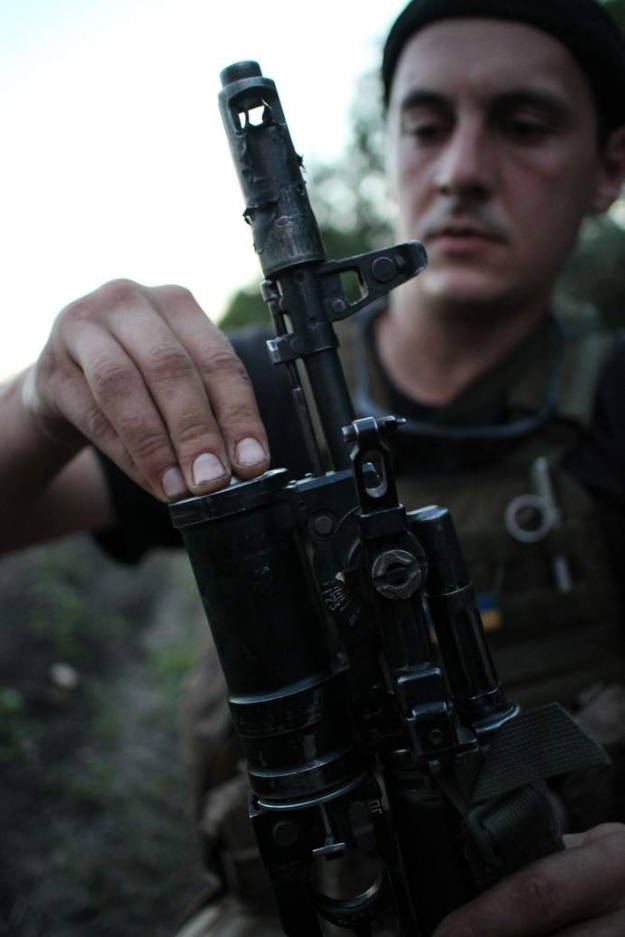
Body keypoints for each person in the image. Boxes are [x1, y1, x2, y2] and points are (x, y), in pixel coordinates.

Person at [4, 0, 625, 932]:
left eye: (524, 125)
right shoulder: (238, 395)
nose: (460, 170)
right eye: (425, 126)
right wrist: (37, 404)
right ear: (390, 144)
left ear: (608, 169)